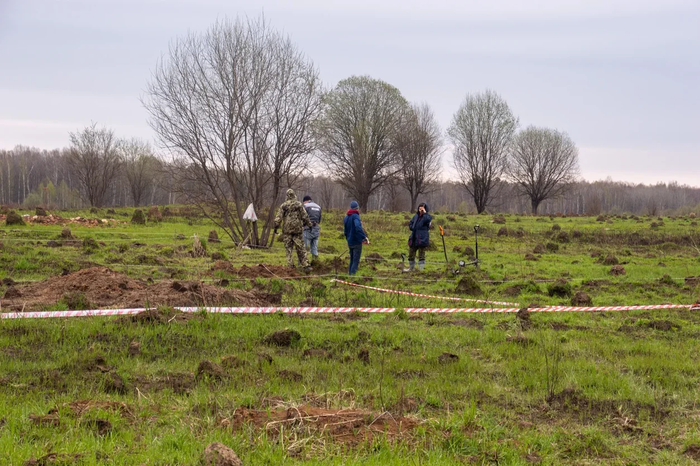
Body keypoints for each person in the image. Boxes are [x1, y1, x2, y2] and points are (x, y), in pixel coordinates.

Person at [274, 189, 312, 270]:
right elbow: (304, 215)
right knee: (300, 247)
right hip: (297, 230)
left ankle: (290, 266)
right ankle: (305, 265)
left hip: (287, 230)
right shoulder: (299, 204)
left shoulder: (284, 205)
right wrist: (309, 224)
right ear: (294, 195)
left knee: (288, 249)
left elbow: (279, 217)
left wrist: (276, 226)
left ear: (287, 196)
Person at [404, 202, 432, 272]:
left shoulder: (427, 216)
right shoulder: (415, 216)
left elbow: (428, 220)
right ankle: (411, 268)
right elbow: (410, 223)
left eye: (422, 209)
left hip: (422, 238)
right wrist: (412, 227)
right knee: (411, 254)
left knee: (421, 255)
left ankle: (421, 270)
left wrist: (424, 213)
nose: (420, 210)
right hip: (414, 237)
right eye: (420, 208)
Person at [343, 200, 369, 276]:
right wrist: (364, 237)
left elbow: (345, 232)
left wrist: (348, 239)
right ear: (357, 208)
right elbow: (358, 227)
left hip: (350, 241)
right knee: (356, 260)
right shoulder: (356, 216)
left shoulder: (346, 217)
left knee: (351, 259)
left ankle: (350, 275)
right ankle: (353, 276)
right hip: (356, 242)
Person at [302, 195, 322, 263]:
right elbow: (319, 219)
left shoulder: (306, 206)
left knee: (303, 248)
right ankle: (315, 263)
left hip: (308, 229)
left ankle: (302, 264)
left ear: (305, 201)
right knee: (314, 248)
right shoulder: (318, 207)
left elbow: (303, 218)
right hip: (316, 229)